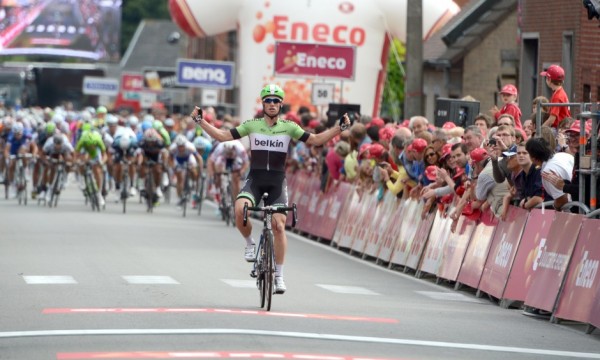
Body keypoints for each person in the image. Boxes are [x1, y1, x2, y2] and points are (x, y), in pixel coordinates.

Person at [190, 84, 351, 294]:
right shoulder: (252, 125)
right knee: (240, 210)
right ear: (263, 103)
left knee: (279, 226)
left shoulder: (289, 127)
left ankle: (279, 276)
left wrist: (339, 128)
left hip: (277, 182)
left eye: (276, 101)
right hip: (255, 179)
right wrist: (200, 121)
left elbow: (315, 140)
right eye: (268, 100)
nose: (272, 104)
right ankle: (249, 243)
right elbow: (222, 136)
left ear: (281, 104)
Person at [540, 65, 571, 129]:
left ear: (549, 79)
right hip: (563, 126)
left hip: (559, 128)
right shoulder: (560, 92)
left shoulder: (557, 96)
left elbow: (552, 120)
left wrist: (540, 130)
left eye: (546, 77)